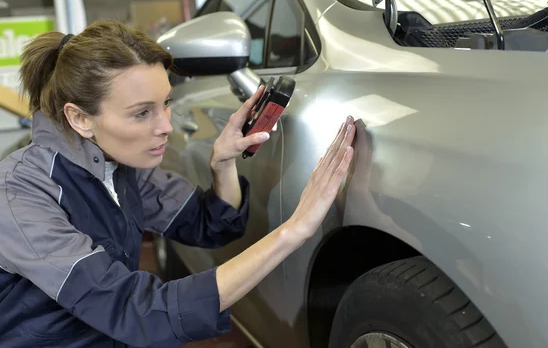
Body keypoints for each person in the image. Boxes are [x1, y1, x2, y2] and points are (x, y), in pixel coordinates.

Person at [0, 20, 356, 348]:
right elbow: (136, 310)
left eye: (166, 103)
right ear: (79, 118)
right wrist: (293, 231)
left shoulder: (120, 166)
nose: (166, 126)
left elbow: (208, 226)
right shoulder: (20, 194)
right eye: (142, 112)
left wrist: (223, 162)